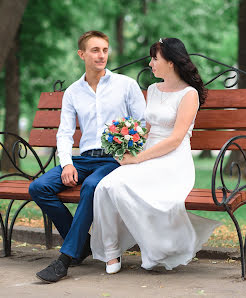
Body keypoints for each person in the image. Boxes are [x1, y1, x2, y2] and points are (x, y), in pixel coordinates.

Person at [91, 37, 221, 274]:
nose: (150, 64)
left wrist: (139, 159)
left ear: (170, 62)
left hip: (173, 161)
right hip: (148, 154)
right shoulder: (152, 89)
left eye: (155, 59)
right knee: (105, 186)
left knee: (120, 186)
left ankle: (157, 247)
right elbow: (148, 129)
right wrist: (129, 148)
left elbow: (175, 138)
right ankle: (111, 253)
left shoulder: (189, 94)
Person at [29, 30, 146, 283]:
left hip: (115, 160)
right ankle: (82, 245)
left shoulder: (126, 85)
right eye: (95, 50)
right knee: (39, 187)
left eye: (105, 49)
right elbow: (64, 133)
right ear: (82, 54)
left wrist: (128, 150)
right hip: (83, 159)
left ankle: (65, 260)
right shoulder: (72, 92)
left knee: (92, 187)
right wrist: (67, 163)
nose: (101, 55)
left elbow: (143, 125)